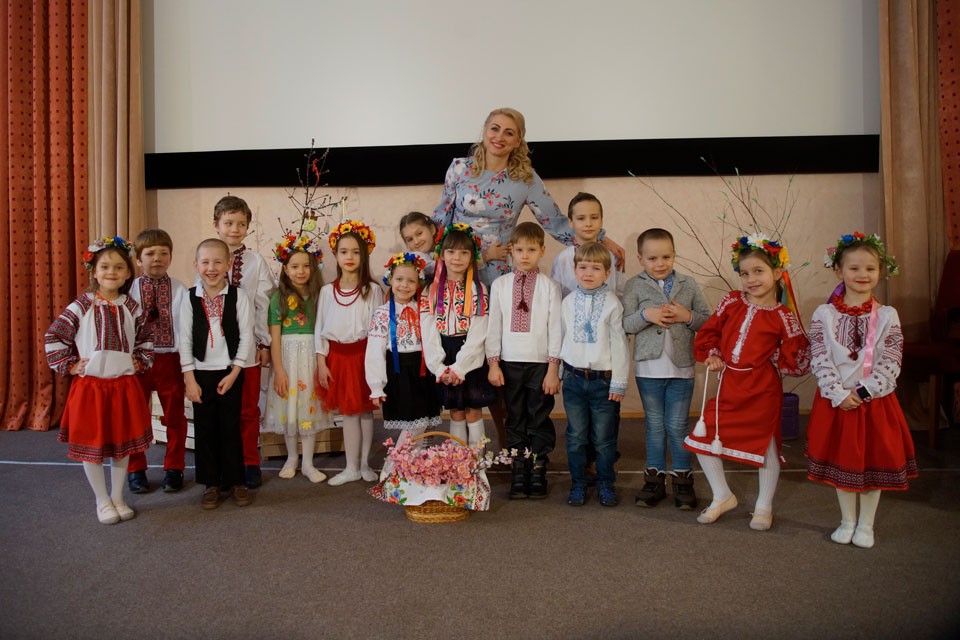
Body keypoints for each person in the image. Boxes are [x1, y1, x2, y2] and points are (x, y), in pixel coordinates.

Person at [683, 235, 810, 530]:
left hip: (762, 390)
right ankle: (722, 495)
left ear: (777, 273)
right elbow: (711, 331)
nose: (751, 279)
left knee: (765, 447)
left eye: (758, 271)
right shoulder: (732, 301)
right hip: (730, 385)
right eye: (744, 273)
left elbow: (795, 357)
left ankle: (764, 507)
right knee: (703, 439)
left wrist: (777, 356)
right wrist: (713, 355)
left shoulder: (783, 316)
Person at [806, 232, 917, 548]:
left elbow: (891, 359)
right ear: (838, 271)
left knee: (872, 463)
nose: (862, 274)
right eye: (854, 268)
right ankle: (847, 520)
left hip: (874, 403)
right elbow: (820, 356)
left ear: (881, 271)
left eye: (870, 268)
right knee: (843, 463)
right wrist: (839, 393)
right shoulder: (824, 314)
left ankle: (866, 525)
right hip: (836, 401)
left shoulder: (887, 315)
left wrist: (865, 392)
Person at [432, 107, 624, 288]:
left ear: (518, 141)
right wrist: (429, 256)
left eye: (509, 133)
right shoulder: (459, 168)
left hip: (498, 270)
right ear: (485, 131)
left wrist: (601, 239)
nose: (499, 137)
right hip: (457, 264)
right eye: (495, 129)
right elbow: (443, 214)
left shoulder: (526, 179)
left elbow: (555, 222)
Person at [45, 236, 153, 524]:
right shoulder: (82, 305)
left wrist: (140, 360)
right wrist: (70, 365)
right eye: (105, 267)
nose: (111, 272)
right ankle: (102, 500)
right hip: (91, 387)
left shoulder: (132, 307)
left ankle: (118, 496)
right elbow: (54, 336)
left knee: (122, 443)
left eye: (119, 267)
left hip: (124, 386)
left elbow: (145, 340)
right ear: (94, 271)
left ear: (128, 273)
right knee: (92, 446)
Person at [623, 228, 711, 509]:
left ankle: (683, 480)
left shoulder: (688, 284)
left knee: (677, 425)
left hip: (681, 370)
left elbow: (708, 321)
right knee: (655, 425)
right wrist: (645, 315)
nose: (660, 263)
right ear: (640, 259)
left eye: (666, 257)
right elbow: (625, 324)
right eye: (652, 258)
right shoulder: (634, 285)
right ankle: (654, 480)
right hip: (648, 369)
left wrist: (687, 316)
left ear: (674, 255)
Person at [486, 222, 562, 498]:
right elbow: (494, 326)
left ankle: (538, 466)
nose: (525, 255)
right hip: (509, 362)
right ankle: (519, 467)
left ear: (542, 251)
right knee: (515, 415)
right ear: (511, 251)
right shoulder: (500, 285)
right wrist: (493, 364)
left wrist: (553, 368)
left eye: (531, 250)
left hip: (540, 364)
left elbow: (556, 328)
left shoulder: (550, 287)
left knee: (538, 415)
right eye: (519, 250)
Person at [179, 238, 256, 509]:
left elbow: (246, 336)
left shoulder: (238, 296)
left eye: (217, 262)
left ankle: (236, 481)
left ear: (228, 265)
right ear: (196, 265)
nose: (211, 268)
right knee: (205, 429)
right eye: (205, 262)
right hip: (200, 374)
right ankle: (211, 483)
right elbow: (185, 339)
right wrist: (189, 379)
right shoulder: (189, 298)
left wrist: (235, 371)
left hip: (229, 372)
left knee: (231, 428)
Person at [211, 195, 274, 489]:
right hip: (214, 350)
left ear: (248, 227)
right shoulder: (207, 256)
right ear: (216, 225)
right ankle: (225, 462)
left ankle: (250, 461)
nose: (234, 229)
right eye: (228, 223)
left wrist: (264, 343)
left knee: (248, 409)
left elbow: (264, 304)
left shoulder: (256, 262)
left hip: (248, 347)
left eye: (241, 224)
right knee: (220, 408)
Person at [560, 243, 630, 508]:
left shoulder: (612, 304)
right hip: (574, 380)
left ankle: (605, 483)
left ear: (607, 273)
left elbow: (620, 346)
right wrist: (558, 373)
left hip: (603, 382)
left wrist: (619, 382)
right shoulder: (568, 302)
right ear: (575, 270)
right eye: (583, 267)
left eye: (596, 268)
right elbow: (562, 338)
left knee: (603, 438)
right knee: (576, 436)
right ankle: (578, 482)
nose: (588, 273)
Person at [315, 220, 384, 485]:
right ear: (335, 254)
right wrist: (322, 362)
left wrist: (376, 364)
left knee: (365, 411)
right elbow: (320, 330)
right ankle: (350, 467)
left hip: (364, 357)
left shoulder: (372, 290)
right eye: (344, 251)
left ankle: (364, 464)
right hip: (338, 359)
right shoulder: (326, 292)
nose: (350, 257)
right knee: (349, 412)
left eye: (356, 252)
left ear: (364, 255)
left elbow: (378, 331)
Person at [126, 229, 189, 494]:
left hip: (169, 360)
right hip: (137, 361)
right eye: (150, 254)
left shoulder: (180, 289)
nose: (157, 259)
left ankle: (174, 467)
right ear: (138, 259)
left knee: (174, 415)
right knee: (134, 414)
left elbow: (186, 327)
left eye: (164, 253)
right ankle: (135, 468)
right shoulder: (129, 290)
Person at [264, 234, 331, 483]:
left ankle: (308, 463)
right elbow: (275, 338)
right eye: (294, 266)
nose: (300, 271)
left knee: (308, 409)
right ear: (285, 269)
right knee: (289, 410)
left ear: (313, 268)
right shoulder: (277, 298)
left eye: (305, 266)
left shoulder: (320, 296)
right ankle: (292, 458)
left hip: (310, 359)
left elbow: (323, 331)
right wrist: (279, 370)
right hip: (287, 361)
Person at [365, 253, 441, 469]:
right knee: (413, 424)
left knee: (423, 423)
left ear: (418, 283)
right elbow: (374, 351)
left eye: (411, 281)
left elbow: (432, 340)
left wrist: (439, 367)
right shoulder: (382, 313)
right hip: (400, 372)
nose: (404, 285)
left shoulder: (423, 309)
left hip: (423, 371)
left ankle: (412, 467)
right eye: (399, 279)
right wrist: (376, 386)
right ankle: (393, 467)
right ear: (390, 279)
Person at [420, 223, 494, 447]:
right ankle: (458, 459)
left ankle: (477, 461)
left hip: (470, 355)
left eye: (464, 252)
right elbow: (428, 331)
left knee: (473, 410)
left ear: (472, 257)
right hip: (443, 352)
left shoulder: (479, 289)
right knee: (456, 411)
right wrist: (439, 367)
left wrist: (460, 367)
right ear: (441, 254)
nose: (457, 258)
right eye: (451, 251)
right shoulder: (430, 290)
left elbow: (479, 332)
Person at [551, 192, 624, 298]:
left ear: (601, 221)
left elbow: (621, 293)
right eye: (581, 218)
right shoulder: (562, 259)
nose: (588, 224)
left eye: (594, 217)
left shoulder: (612, 256)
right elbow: (555, 296)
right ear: (571, 222)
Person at [398, 211, 437, 282]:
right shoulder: (412, 260)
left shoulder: (449, 250)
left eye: (419, 233)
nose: (416, 242)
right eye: (410, 239)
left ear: (432, 230)